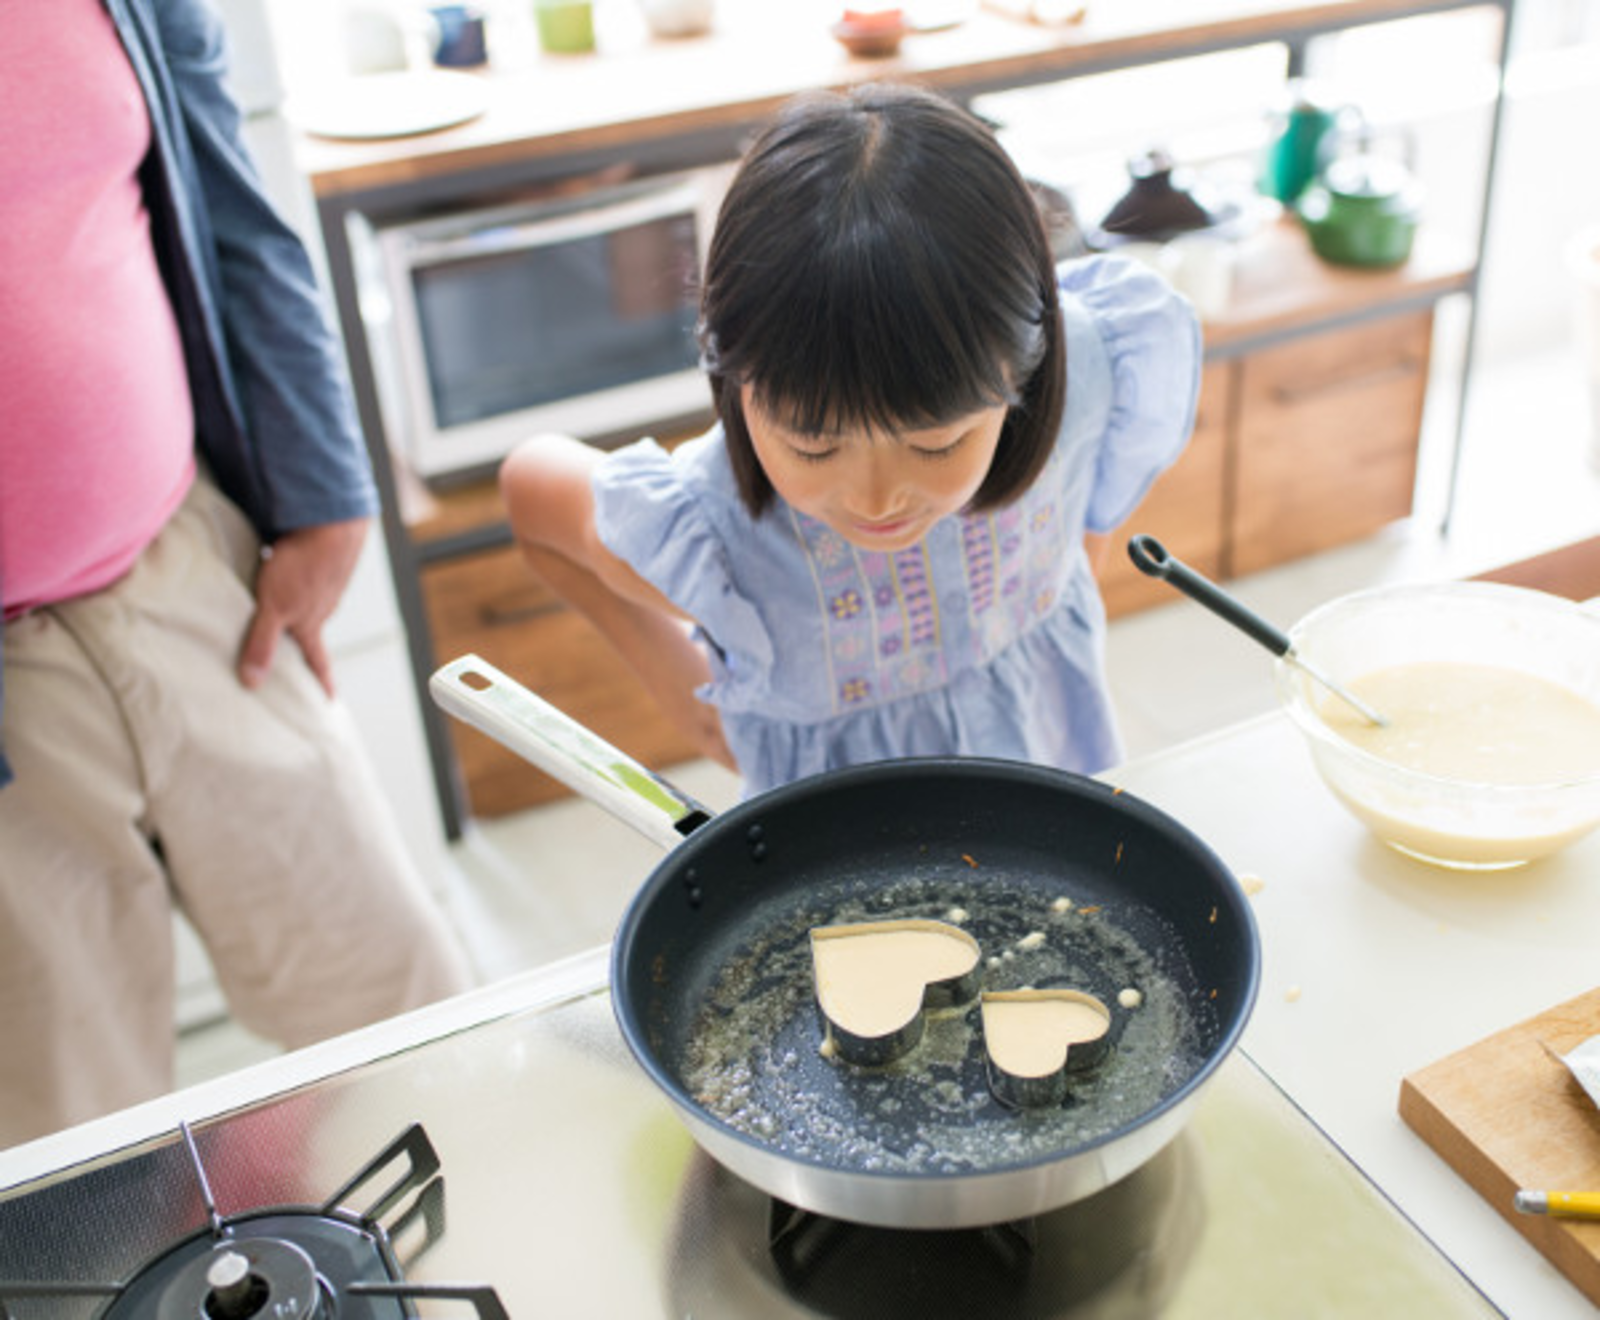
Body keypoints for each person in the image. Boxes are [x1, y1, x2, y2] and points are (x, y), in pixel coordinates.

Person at [0, 0, 475, 1149]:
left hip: (180, 565)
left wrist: (323, 494)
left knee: (409, 1011)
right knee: (68, 1133)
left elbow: (231, 200)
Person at [499, 82, 1202, 798]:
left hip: (1059, 795)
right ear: (732, 374)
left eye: (934, 445)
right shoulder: (711, 534)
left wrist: (1043, 596)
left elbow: (1079, 542)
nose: (876, 500)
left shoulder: (1087, 362)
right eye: (812, 446)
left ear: (1026, 369)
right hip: (845, 872)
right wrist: (694, 704)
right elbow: (530, 484)